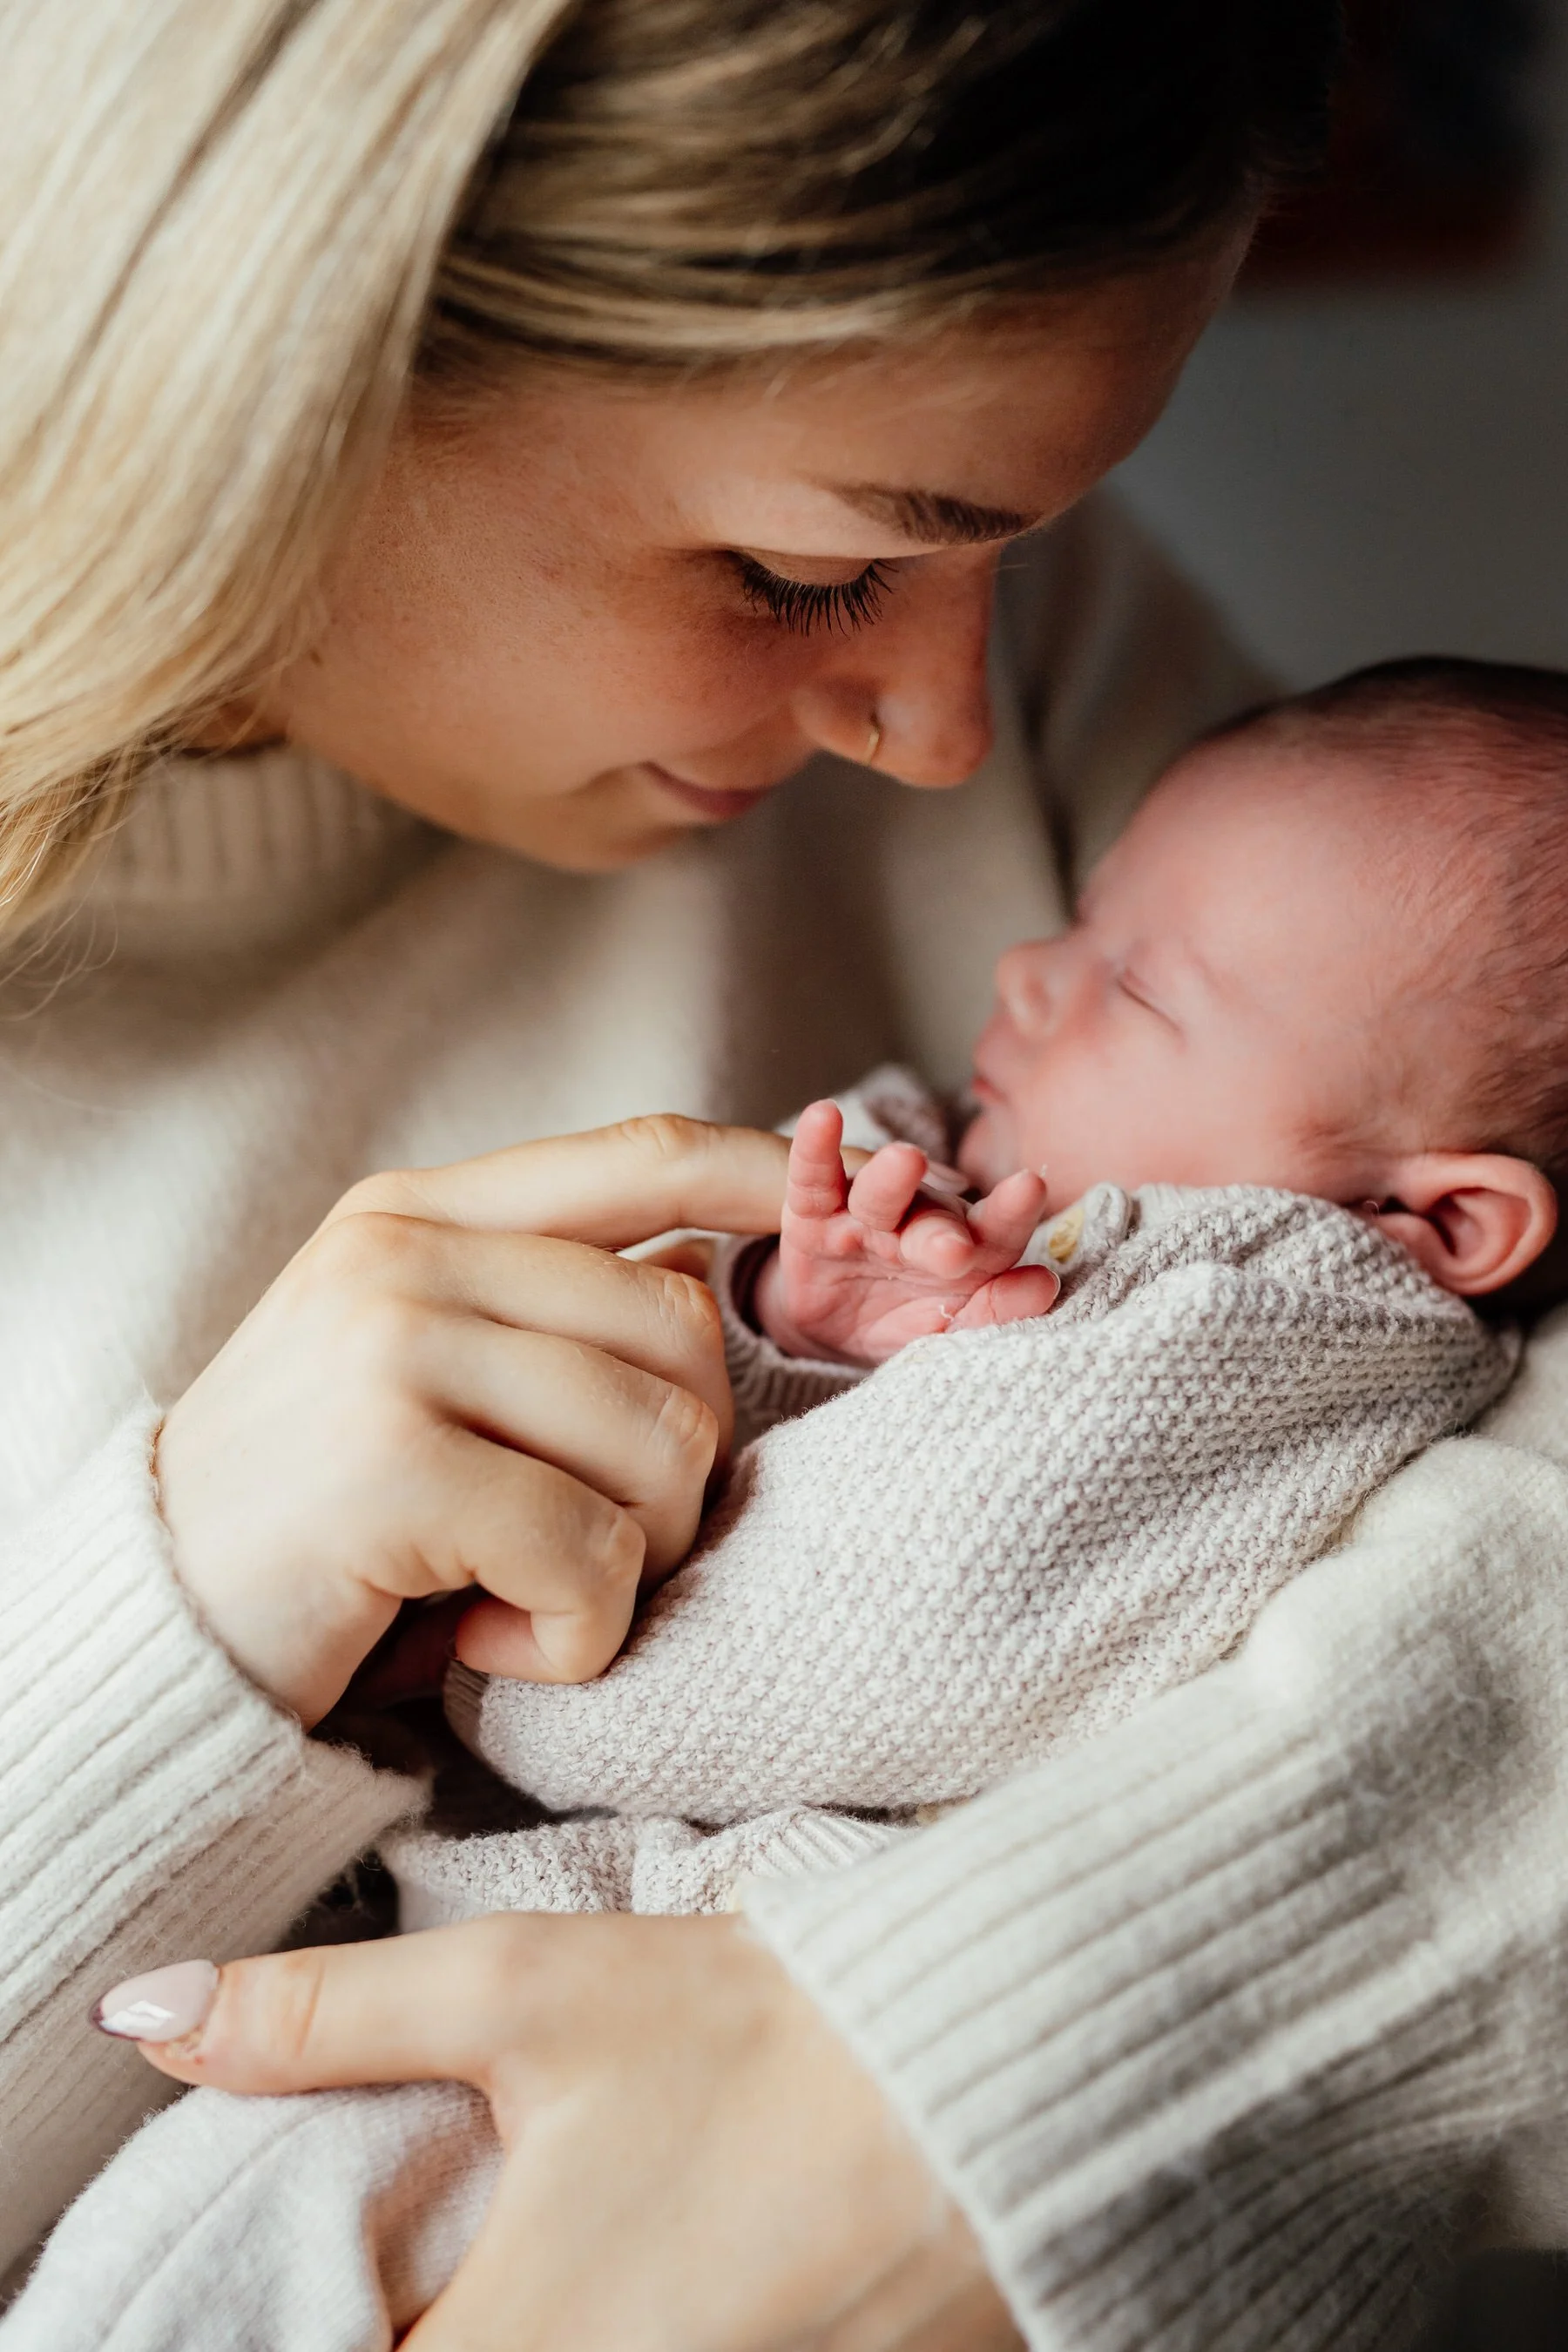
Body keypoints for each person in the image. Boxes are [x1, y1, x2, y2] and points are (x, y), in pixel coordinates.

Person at [22, 3, 1557, 2349]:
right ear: (295, 362)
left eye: (1007, 559)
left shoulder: (1127, 726)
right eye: (793, 570)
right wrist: (182, 1641)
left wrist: (1028, 2075)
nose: (942, 737)